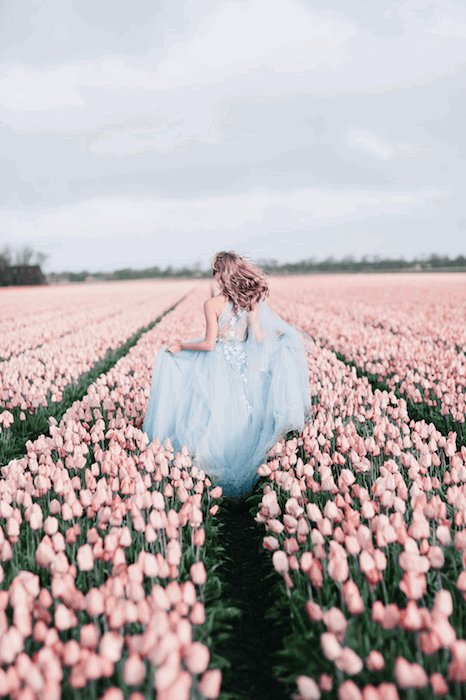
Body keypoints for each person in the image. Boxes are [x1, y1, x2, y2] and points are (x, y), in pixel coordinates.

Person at [143, 251, 312, 498]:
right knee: (244, 414)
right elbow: (257, 338)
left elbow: (209, 344)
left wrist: (181, 345)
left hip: (218, 364)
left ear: (220, 275)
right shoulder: (250, 302)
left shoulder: (212, 304)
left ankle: (211, 478)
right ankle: (249, 472)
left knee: (215, 414)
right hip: (244, 365)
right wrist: (280, 342)